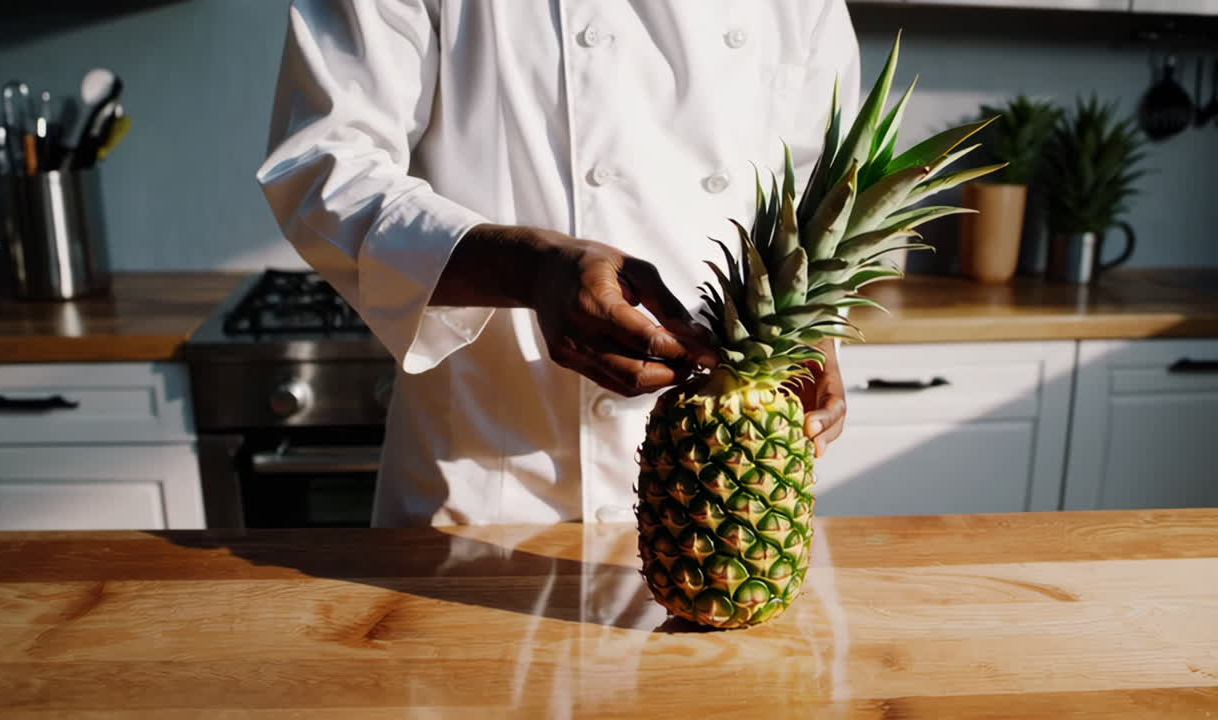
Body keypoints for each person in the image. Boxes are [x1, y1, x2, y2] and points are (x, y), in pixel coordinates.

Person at [258, 0, 858, 528]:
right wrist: (529, 270)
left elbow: (817, 194)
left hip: (730, 493)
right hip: (485, 487)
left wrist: (817, 332)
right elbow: (322, 169)